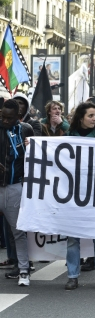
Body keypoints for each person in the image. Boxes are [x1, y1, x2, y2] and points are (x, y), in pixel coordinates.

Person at [64, 101, 95, 290]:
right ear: (81, 117)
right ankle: (72, 276)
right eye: (91, 116)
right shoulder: (67, 138)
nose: (94, 119)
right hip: (73, 194)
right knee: (72, 238)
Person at [0, 99, 34, 287]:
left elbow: (39, 155)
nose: (5, 121)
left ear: (18, 117)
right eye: (3, 116)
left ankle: (23, 270)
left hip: (14, 187)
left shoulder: (25, 129)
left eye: (9, 118)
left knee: (18, 232)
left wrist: (33, 144)